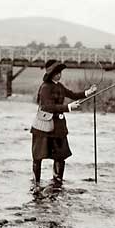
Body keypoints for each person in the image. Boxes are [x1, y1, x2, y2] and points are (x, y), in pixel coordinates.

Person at [30, 60, 96, 194]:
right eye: (56, 73)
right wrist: (69, 107)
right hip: (44, 127)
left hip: (59, 127)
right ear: (50, 75)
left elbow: (72, 94)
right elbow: (47, 107)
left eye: (60, 72)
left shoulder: (59, 86)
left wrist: (88, 92)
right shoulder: (45, 87)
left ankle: (57, 182)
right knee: (38, 156)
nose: (59, 75)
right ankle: (36, 183)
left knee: (60, 155)